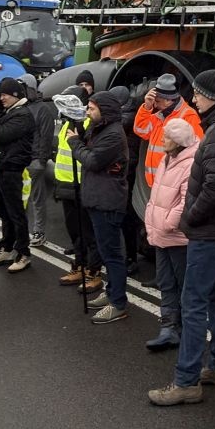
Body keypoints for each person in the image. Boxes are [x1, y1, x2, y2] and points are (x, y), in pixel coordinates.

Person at [148, 70, 215, 406]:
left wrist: (190, 219)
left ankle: (186, 381)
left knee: (193, 305)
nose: (194, 99)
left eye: (198, 93)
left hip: (210, 232)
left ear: (212, 95)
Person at [70, 90, 131, 323]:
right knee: (107, 252)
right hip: (98, 198)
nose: (88, 112)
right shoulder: (101, 128)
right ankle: (112, 291)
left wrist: (75, 143)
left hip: (107, 201)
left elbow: (93, 161)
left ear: (104, 111)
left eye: (92, 108)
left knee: (112, 254)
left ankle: (118, 303)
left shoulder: (113, 134)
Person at [142, 117, 197, 352]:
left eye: (167, 137)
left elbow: (186, 202)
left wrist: (166, 223)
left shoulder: (190, 164)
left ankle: (185, 329)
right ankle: (169, 328)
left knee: (183, 284)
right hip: (161, 236)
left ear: (178, 141)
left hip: (176, 237)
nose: (162, 140)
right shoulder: (168, 159)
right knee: (166, 283)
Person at [50, 94, 102, 293]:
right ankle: (80, 265)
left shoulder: (87, 124)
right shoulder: (66, 125)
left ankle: (94, 272)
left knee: (89, 233)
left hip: (82, 185)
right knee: (75, 232)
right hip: (66, 186)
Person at [0, 78, 36, 272]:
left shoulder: (23, 115)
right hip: (0, 168)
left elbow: (1, 134)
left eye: (5, 95)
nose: (1, 98)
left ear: (16, 95)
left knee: (16, 213)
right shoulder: (9, 111)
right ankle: (6, 248)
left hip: (12, 170)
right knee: (5, 213)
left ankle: (23, 253)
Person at [133, 74, 204, 191]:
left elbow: (196, 151)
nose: (154, 104)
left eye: (157, 101)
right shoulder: (160, 116)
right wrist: (146, 107)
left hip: (172, 185)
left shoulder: (188, 116)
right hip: (157, 183)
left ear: (168, 100)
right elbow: (141, 130)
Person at [25, 89, 58, 248]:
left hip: (35, 160)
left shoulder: (42, 109)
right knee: (23, 199)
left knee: (36, 199)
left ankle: (39, 232)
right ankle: (23, 231)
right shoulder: (24, 107)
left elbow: (46, 136)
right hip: (24, 160)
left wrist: (41, 160)